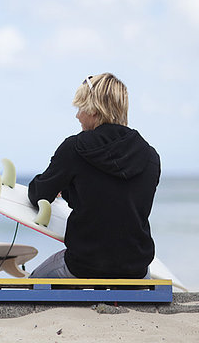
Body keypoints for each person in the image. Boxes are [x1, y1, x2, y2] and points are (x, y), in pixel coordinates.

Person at [28, 73, 160, 279]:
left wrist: (56, 187)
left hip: (84, 266)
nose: (77, 116)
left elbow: (38, 195)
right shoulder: (150, 156)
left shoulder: (74, 148)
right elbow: (118, 202)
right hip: (136, 270)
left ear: (94, 109)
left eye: (80, 108)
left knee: (33, 283)